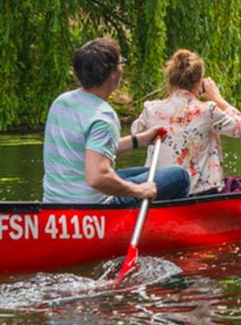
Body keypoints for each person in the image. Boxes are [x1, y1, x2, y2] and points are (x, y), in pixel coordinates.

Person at [42, 38, 190, 205]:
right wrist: (139, 190)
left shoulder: (61, 102)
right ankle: (166, 220)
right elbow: (97, 178)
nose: (122, 68)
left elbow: (92, 151)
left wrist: (139, 140)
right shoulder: (103, 117)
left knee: (152, 172)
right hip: (93, 207)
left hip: (54, 202)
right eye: (121, 63)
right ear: (112, 73)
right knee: (179, 176)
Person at [133, 49, 241, 195]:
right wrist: (217, 98)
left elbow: (135, 133)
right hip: (199, 192)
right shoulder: (207, 111)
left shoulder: (151, 109)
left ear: (170, 79)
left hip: (159, 191)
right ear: (199, 82)